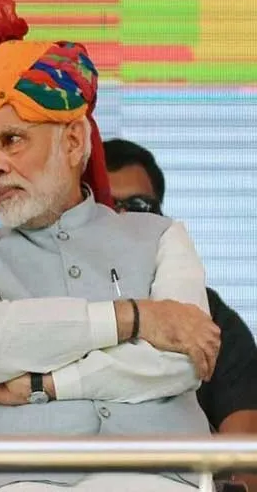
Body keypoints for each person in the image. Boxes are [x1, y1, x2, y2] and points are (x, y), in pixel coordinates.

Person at [0, 0, 222, 491]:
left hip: (158, 474)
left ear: (71, 142)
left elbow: (181, 360)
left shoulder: (161, 237)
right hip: (19, 479)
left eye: (12, 140)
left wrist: (46, 384)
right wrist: (133, 319)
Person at [105, 137, 257, 490]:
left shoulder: (209, 315)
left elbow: (245, 464)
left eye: (138, 207)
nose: (122, 220)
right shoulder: (48, 307)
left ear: (161, 217)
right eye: (106, 207)